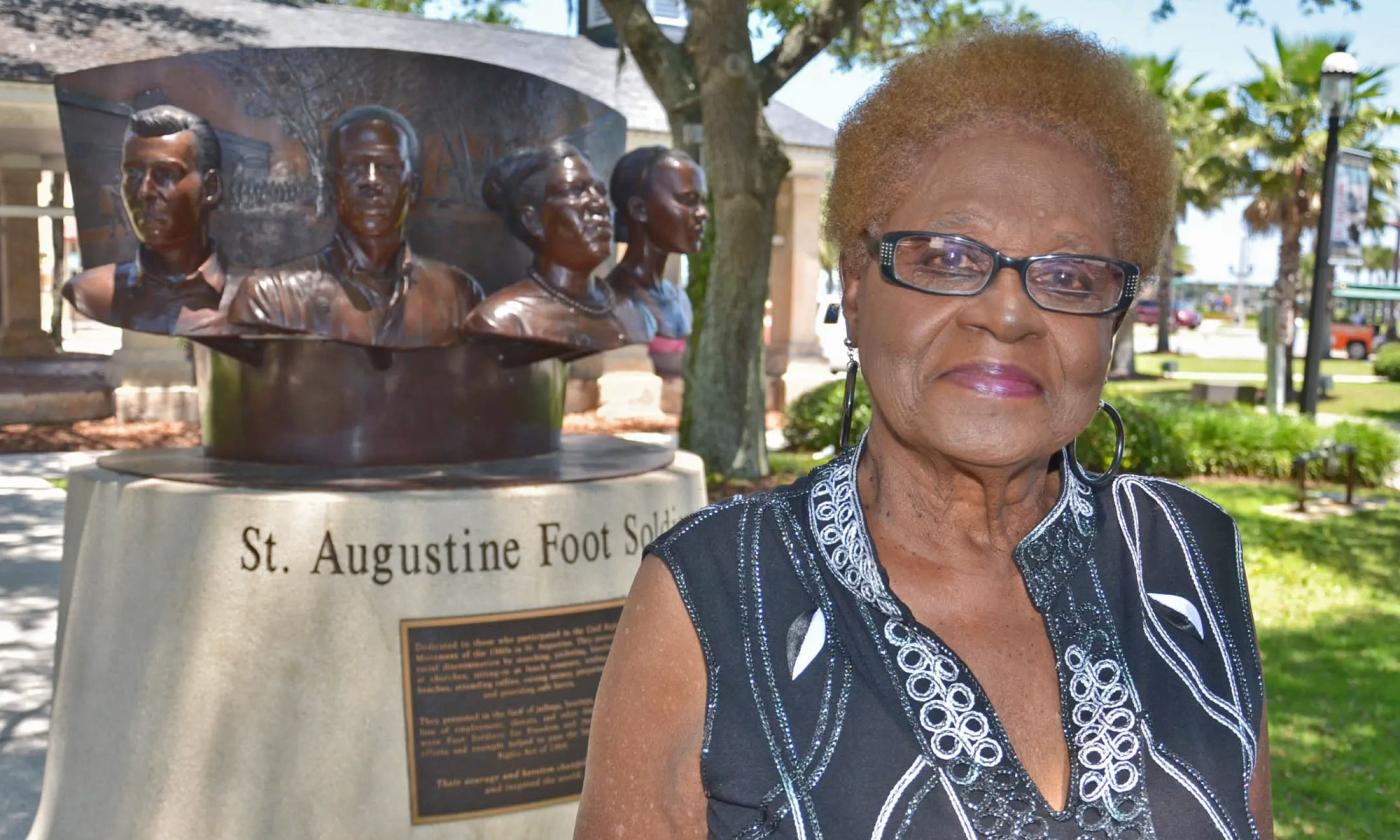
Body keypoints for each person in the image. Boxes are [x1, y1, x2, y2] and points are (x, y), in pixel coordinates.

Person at [577, 27, 1273, 840]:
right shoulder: (713, 594)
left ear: (1114, 323)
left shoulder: (1187, 554)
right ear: (857, 289)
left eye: (1070, 275)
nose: (1008, 312)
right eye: (946, 257)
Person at [228, 105, 482, 348]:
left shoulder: (458, 295)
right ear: (331, 187)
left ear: (413, 189)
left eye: (387, 168)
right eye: (354, 167)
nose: (371, 182)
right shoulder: (271, 298)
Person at [462, 141, 656, 361]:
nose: (598, 204)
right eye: (575, 191)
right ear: (532, 220)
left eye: (600, 192)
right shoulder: (503, 319)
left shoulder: (636, 315)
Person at [63, 105, 240, 336]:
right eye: (133, 175)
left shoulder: (259, 299)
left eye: (166, 174)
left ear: (210, 188)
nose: (144, 191)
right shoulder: (90, 291)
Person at [604, 146, 707, 340]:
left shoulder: (678, 299)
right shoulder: (614, 303)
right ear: (639, 209)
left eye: (703, 201)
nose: (703, 213)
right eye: (689, 200)